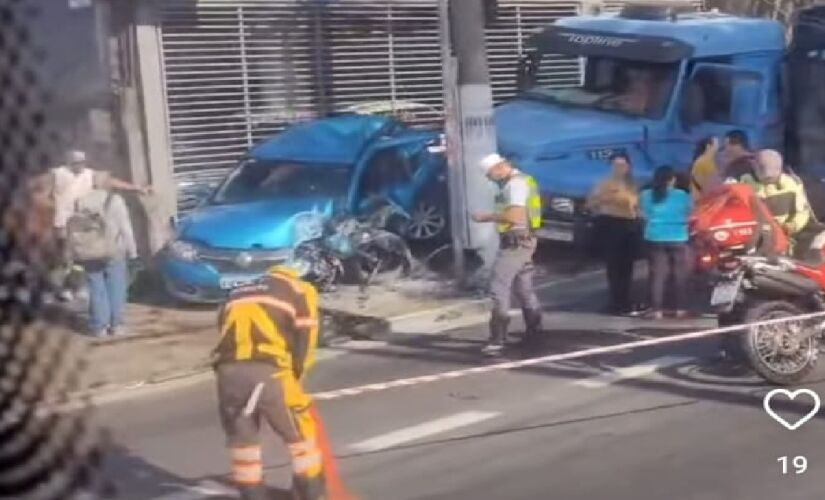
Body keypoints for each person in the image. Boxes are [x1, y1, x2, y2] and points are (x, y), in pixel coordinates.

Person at [213, 264, 351, 500]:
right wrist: (297, 377)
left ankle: (252, 494)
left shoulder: (238, 291)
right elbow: (305, 341)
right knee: (300, 437)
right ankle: (309, 492)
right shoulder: (300, 290)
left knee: (243, 443)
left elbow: (223, 330)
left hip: (227, 373)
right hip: (270, 371)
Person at [50, 150, 149, 300]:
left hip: (84, 222)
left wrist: (137, 188)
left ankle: (79, 286)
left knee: (83, 256)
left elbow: (113, 182)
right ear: (69, 163)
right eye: (76, 163)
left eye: (82, 162)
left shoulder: (90, 174)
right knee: (66, 257)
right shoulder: (58, 173)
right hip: (64, 222)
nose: (79, 166)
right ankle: (65, 287)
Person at [472, 153, 544, 356]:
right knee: (523, 288)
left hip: (516, 242)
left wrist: (486, 216)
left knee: (498, 286)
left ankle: (497, 338)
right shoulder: (524, 181)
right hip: (525, 239)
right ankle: (535, 333)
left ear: (500, 167)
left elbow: (516, 215)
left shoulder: (515, 185)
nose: (489, 178)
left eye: (489, 174)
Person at [74, 189, 137, 337]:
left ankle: (99, 327)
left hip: (90, 252)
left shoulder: (81, 200)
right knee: (116, 288)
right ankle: (117, 325)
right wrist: (133, 252)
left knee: (96, 288)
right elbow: (125, 228)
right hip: (114, 250)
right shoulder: (116, 200)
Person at [586, 153, 640, 315]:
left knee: (627, 266)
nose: (619, 169)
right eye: (616, 165)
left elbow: (635, 205)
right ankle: (615, 301)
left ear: (629, 167)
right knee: (613, 266)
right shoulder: (604, 183)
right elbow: (591, 203)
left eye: (622, 165)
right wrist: (607, 198)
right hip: (610, 224)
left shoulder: (633, 184)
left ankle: (625, 300)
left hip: (629, 225)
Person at [639, 166, 694, 320]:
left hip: (655, 237)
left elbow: (642, 215)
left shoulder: (646, 195)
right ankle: (680, 309)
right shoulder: (682, 195)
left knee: (657, 275)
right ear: (672, 180)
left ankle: (656, 310)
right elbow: (690, 213)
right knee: (679, 275)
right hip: (678, 237)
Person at [742, 149, 818, 256]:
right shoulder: (744, 183)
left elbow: (802, 212)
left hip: (783, 236)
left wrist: (793, 225)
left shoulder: (791, 184)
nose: (768, 180)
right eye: (765, 177)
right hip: (754, 236)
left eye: (771, 177)